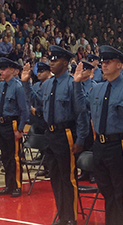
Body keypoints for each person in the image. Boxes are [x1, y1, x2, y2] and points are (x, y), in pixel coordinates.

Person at [73, 45, 123, 225]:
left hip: (118, 145)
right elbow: (82, 106)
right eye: (102, 62)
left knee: (120, 191)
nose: (103, 65)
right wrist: (76, 84)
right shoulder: (97, 89)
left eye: (108, 62)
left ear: (119, 65)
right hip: (100, 144)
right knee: (106, 189)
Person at [22, 45, 89, 225]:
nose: (51, 62)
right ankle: (63, 214)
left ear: (65, 63)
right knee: (56, 178)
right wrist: (26, 83)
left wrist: (81, 139)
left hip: (66, 133)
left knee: (69, 178)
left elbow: (81, 113)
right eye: (50, 59)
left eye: (55, 59)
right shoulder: (48, 84)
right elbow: (37, 102)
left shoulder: (72, 83)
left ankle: (72, 217)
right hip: (49, 134)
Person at [0, 57, 29, 197]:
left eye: (4, 69)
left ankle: (17, 185)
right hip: (1, 124)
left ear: (12, 70)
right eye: (1, 69)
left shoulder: (17, 86)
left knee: (15, 157)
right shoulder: (1, 86)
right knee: (5, 156)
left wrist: (20, 129)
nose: (1, 71)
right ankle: (8, 185)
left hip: (12, 124)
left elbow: (24, 110)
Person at [23, 62, 52, 177]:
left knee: (48, 145)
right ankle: (45, 167)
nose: (39, 74)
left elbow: (44, 102)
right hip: (37, 118)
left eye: (42, 71)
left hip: (47, 118)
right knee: (41, 146)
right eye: (38, 71)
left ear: (48, 72)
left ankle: (50, 169)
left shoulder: (51, 84)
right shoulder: (36, 85)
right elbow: (32, 99)